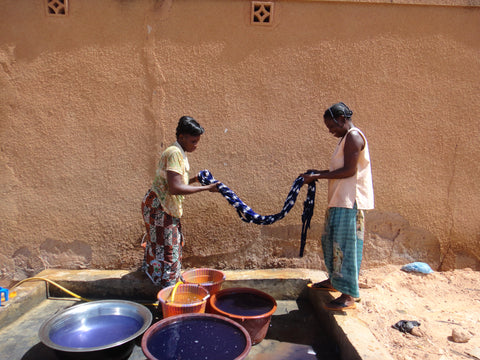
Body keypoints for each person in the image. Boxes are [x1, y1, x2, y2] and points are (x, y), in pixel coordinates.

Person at [301, 102, 374, 311]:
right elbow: (341, 169)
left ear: (342, 119)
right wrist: (317, 173)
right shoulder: (345, 138)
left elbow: (349, 171)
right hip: (339, 200)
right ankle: (334, 281)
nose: (330, 131)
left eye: (332, 126)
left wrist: (318, 176)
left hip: (349, 202)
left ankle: (348, 295)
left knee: (346, 248)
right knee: (332, 243)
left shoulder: (353, 136)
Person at [141, 116, 218, 288]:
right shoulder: (175, 153)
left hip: (162, 206)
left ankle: (165, 285)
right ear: (182, 137)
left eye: (197, 141)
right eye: (193, 141)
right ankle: (168, 297)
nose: (196, 145)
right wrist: (207, 189)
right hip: (160, 209)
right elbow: (175, 188)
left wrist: (194, 180)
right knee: (168, 252)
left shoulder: (178, 152)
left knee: (164, 247)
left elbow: (173, 183)